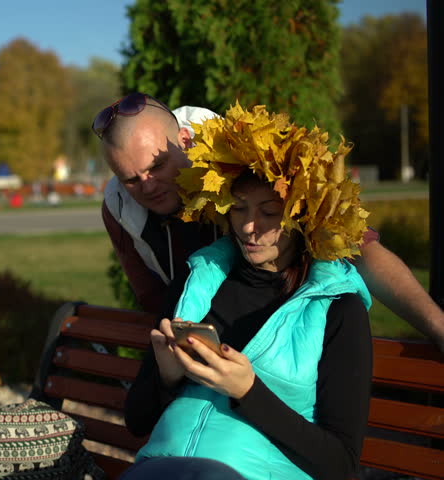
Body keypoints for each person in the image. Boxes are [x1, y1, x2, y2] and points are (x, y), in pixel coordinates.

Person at [122, 104, 372, 480]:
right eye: (239, 209)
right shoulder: (198, 283)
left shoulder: (338, 309)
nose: (250, 227)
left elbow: (342, 464)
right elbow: (136, 421)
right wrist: (167, 377)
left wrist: (248, 391)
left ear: (303, 215)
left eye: (270, 213)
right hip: (162, 469)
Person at [95, 92, 444, 350]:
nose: (147, 186)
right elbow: (154, 299)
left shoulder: (249, 155)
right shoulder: (118, 207)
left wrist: (437, 325)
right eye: (129, 178)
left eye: (156, 167)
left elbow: (356, 246)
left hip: (294, 344)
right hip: (217, 356)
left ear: (185, 141)